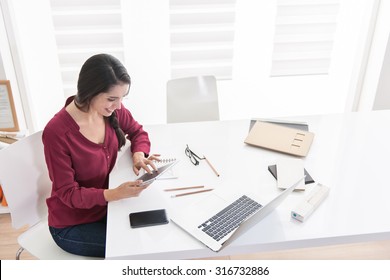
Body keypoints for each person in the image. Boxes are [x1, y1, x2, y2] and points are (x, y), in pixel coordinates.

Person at [42, 54, 159, 258]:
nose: (119, 106)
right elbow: (68, 194)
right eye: (112, 99)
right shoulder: (57, 132)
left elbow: (138, 132)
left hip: (108, 209)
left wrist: (138, 154)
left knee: (156, 232)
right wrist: (114, 194)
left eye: (122, 98)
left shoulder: (110, 111)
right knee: (138, 249)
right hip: (73, 224)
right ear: (90, 92)